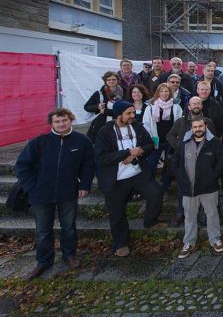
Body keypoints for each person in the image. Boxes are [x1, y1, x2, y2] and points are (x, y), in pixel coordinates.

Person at [15, 108, 95, 280]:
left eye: (64, 120)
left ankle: (69, 255)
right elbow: (22, 166)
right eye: (57, 122)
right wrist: (31, 187)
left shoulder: (82, 141)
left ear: (70, 120)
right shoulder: (39, 142)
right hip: (41, 194)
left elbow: (88, 165)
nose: (61, 124)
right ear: (51, 123)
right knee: (43, 230)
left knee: (68, 226)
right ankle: (43, 261)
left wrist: (85, 185)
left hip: (68, 192)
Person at [94, 101, 167, 258]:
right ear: (119, 114)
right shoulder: (105, 131)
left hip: (137, 172)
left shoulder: (137, 127)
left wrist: (136, 153)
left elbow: (149, 144)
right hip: (116, 179)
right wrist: (126, 153)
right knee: (117, 212)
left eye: (133, 113)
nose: (132, 116)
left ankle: (150, 220)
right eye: (129, 113)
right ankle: (121, 243)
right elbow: (101, 157)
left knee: (155, 192)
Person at [171, 117, 223, 258]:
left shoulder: (214, 143)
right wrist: (180, 178)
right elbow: (174, 162)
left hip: (209, 187)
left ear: (205, 126)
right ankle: (189, 242)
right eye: (195, 127)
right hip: (188, 188)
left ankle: (215, 239)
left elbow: (222, 161)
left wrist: (213, 176)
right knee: (189, 216)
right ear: (192, 128)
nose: (198, 129)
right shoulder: (183, 143)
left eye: (200, 126)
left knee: (212, 213)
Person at [166, 96, 217, 226]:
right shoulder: (181, 122)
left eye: (198, 104)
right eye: (193, 104)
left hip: (203, 160)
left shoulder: (208, 122)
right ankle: (180, 213)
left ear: (202, 106)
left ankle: (202, 213)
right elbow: (170, 135)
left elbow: (214, 140)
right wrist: (179, 147)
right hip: (185, 161)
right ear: (188, 106)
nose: (196, 106)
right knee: (183, 188)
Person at [143, 83, 183, 188]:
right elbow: (146, 124)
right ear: (158, 93)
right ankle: (149, 185)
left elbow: (180, 123)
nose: (164, 94)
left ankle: (165, 185)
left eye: (166, 91)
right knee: (152, 163)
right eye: (162, 91)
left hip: (170, 140)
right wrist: (149, 139)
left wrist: (178, 138)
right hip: (156, 140)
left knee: (168, 164)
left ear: (170, 93)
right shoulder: (150, 107)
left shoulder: (176, 106)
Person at [85, 71, 124, 143]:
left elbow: (124, 110)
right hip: (101, 126)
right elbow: (86, 107)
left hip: (119, 124)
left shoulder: (123, 92)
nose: (111, 81)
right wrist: (97, 106)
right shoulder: (99, 93)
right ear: (105, 81)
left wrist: (106, 111)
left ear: (118, 80)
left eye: (114, 79)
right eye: (108, 80)